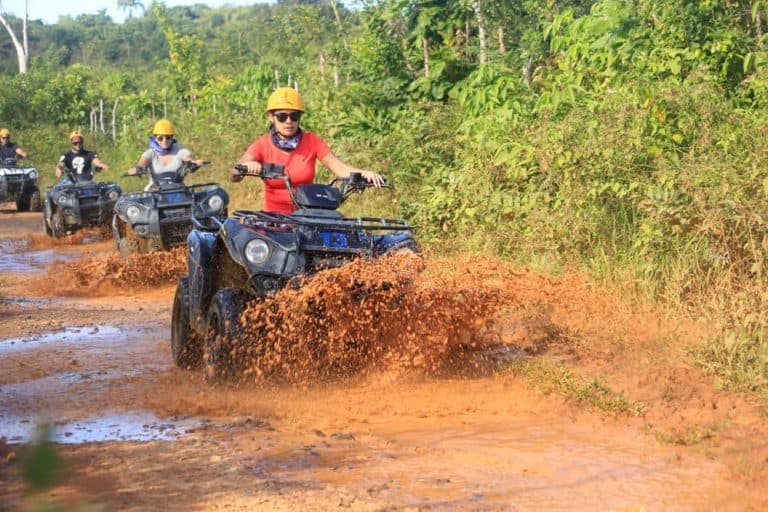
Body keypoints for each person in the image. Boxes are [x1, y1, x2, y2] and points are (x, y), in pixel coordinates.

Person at [231, 87, 385, 214]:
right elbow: (234, 174)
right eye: (282, 117)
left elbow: (340, 168)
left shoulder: (311, 141)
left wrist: (365, 174)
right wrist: (247, 166)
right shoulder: (262, 144)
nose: (289, 121)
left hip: (307, 216)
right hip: (275, 221)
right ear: (271, 117)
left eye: (294, 116)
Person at [127, 118, 204, 191]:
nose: (164, 141)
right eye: (160, 138)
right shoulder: (150, 153)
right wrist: (136, 169)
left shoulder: (181, 151)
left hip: (177, 190)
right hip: (155, 191)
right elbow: (141, 164)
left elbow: (188, 159)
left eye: (168, 137)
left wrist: (194, 164)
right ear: (155, 138)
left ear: (172, 137)